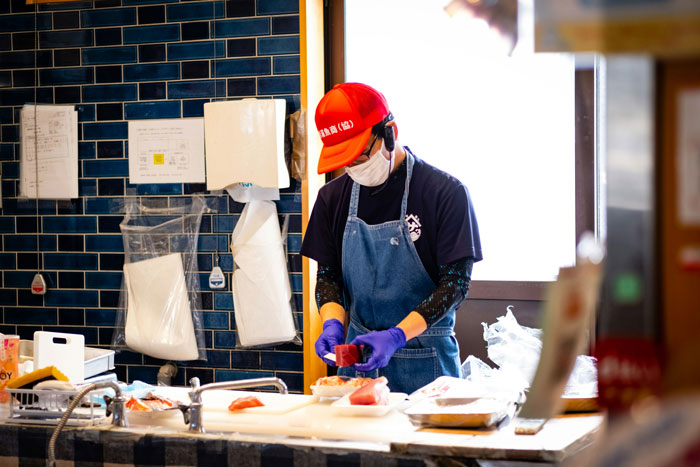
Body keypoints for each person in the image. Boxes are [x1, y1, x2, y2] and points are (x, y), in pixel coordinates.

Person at [301, 82, 482, 395]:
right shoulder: (332, 199)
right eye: (346, 160)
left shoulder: (444, 193)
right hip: (358, 366)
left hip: (429, 365)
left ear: (390, 132)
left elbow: (455, 285)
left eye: (360, 155)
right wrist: (331, 322)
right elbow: (328, 277)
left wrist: (397, 335)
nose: (354, 167)